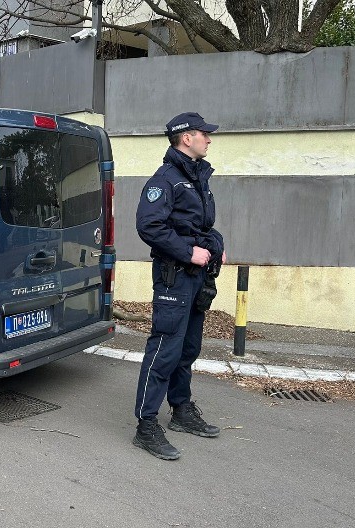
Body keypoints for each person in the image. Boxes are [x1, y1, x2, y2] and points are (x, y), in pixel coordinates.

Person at [132, 112, 226, 461]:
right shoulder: (166, 180)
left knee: (188, 348)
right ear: (186, 137)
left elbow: (198, 225)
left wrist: (215, 243)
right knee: (164, 350)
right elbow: (149, 226)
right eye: (205, 134)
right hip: (174, 274)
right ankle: (146, 426)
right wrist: (190, 252)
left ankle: (182, 410)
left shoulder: (197, 177)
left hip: (196, 276)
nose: (209, 139)